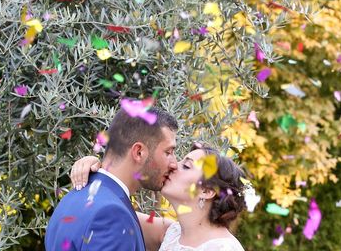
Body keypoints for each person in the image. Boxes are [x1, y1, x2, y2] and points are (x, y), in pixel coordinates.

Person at [45, 106, 179, 251]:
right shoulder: (113, 215)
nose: (175, 163)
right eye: (168, 152)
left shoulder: (72, 197)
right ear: (139, 152)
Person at [70, 143, 247, 251]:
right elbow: (106, 210)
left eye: (186, 166)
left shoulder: (223, 248)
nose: (173, 165)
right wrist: (96, 170)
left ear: (207, 191)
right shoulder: (171, 233)